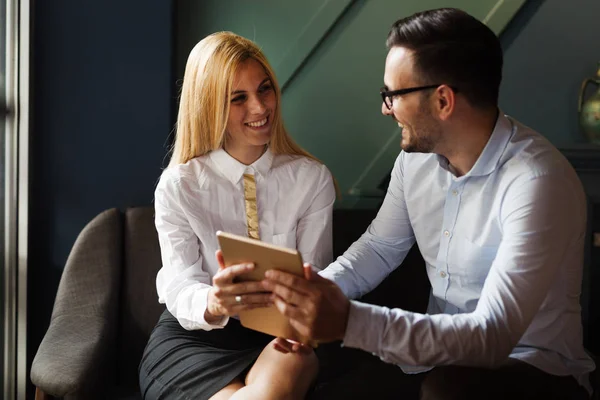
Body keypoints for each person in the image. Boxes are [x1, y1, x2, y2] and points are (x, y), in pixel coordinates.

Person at [263, 7, 597, 400]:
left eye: (393, 95)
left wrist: (348, 321)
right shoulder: (413, 160)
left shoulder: (538, 182)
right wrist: (313, 294)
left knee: (445, 391)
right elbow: (380, 247)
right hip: (433, 359)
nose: (385, 108)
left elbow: (492, 335)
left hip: (530, 368)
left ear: (443, 100)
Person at [138, 31, 336, 400]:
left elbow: (314, 276)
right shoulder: (178, 185)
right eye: (238, 98)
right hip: (195, 337)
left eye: (264, 90)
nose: (260, 108)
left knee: (280, 381)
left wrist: (300, 318)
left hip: (282, 336)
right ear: (209, 105)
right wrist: (214, 302)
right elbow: (180, 281)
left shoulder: (311, 179)